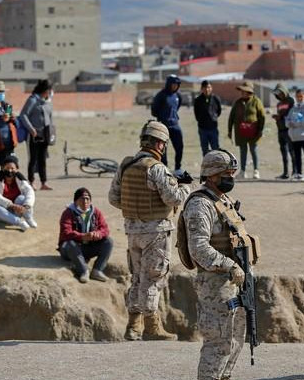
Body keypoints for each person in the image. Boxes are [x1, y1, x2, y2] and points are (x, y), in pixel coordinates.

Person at [108, 120, 191, 341]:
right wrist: (184, 186)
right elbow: (173, 198)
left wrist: (135, 208)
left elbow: (114, 198)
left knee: (136, 278)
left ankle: (134, 326)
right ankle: (152, 327)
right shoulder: (156, 168)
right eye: (163, 144)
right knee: (153, 278)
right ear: (159, 144)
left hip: (132, 231)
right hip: (156, 231)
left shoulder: (126, 165)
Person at [181, 150, 249, 380]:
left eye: (232, 173)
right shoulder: (200, 205)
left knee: (234, 338)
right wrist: (230, 265)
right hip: (215, 284)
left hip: (234, 281)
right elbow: (198, 248)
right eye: (226, 174)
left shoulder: (222, 200)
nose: (231, 178)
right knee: (218, 342)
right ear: (211, 175)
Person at [58, 187, 113, 283]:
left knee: (108, 241)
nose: (85, 201)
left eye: (87, 198)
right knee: (70, 243)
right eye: (82, 198)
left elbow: (105, 229)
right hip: (71, 249)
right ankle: (84, 271)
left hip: (88, 247)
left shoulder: (95, 212)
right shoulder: (68, 213)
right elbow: (66, 232)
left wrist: (98, 234)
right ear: (75, 201)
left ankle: (97, 270)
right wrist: (82, 236)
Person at [19, 79, 55, 190]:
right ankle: (31, 181)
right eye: (49, 90)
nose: (51, 93)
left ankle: (43, 182)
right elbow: (23, 115)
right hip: (34, 135)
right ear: (45, 90)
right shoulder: (32, 100)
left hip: (45, 134)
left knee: (42, 159)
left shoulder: (46, 102)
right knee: (33, 159)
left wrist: (52, 133)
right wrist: (31, 129)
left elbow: (50, 118)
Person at [228, 81, 265, 179]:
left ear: (249, 92)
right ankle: (243, 171)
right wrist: (229, 131)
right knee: (243, 151)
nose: (242, 93)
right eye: (242, 91)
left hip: (254, 132)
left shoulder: (256, 101)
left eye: (244, 91)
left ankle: (256, 171)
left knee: (253, 149)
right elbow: (231, 117)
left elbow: (262, 116)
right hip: (240, 132)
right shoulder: (238, 102)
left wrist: (260, 130)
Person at [151, 75, 184, 173]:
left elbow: (176, 107)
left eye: (177, 85)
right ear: (169, 84)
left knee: (179, 147)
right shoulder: (161, 95)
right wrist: (163, 117)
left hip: (175, 124)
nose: (175, 86)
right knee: (163, 149)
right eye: (174, 84)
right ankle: (165, 168)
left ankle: (178, 168)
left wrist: (172, 116)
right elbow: (154, 110)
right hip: (163, 126)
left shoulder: (178, 96)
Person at [0, 156, 36, 231]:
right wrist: (11, 205)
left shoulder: (21, 180)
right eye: (7, 168)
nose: (10, 170)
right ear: (2, 168)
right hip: (2, 212)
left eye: (12, 168)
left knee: (21, 198)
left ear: (17, 169)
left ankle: (29, 218)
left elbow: (30, 192)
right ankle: (19, 222)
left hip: (17, 211)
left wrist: (26, 206)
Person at [286, 89, 304, 182]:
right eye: (297, 96)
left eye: (301, 96)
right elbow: (288, 119)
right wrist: (289, 123)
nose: (299, 98)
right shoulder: (294, 107)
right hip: (295, 137)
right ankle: (299, 174)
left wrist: (297, 124)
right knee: (297, 156)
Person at [272, 83, 295, 179]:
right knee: (283, 152)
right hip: (280, 130)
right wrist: (277, 118)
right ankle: (285, 173)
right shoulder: (279, 104)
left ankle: (295, 172)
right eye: (277, 93)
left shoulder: (291, 101)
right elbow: (280, 115)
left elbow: (292, 114)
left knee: (292, 151)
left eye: (280, 92)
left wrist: (281, 117)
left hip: (289, 130)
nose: (279, 95)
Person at [193, 80, 222, 156]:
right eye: (205, 87)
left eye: (208, 87)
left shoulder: (216, 98)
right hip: (203, 129)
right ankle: (207, 167)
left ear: (211, 88)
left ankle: (216, 167)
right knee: (205, 150)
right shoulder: (198, 100)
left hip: (213, 128)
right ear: (202, 89)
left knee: (215, 149)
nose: (207, 89)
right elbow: (196, 114)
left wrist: (213, 118)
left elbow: (219, 111)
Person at [0, 80, 19, 166]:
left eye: (2, 92)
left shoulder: (7, 106)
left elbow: (16, 125)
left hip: (8, 144)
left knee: (7, 167)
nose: (1, 94)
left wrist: (13, 119)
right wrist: (0, 119)